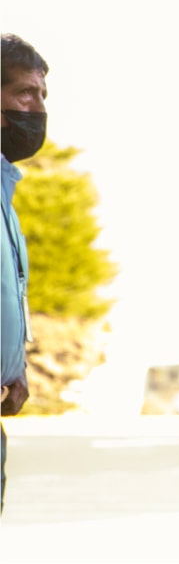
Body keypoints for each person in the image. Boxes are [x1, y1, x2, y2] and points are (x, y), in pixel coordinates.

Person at [1, 33, 48, 516]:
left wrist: (15, 368)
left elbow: (8, 292)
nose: (37, 109)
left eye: (41, 96)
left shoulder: (4, 191)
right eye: (25, 94)